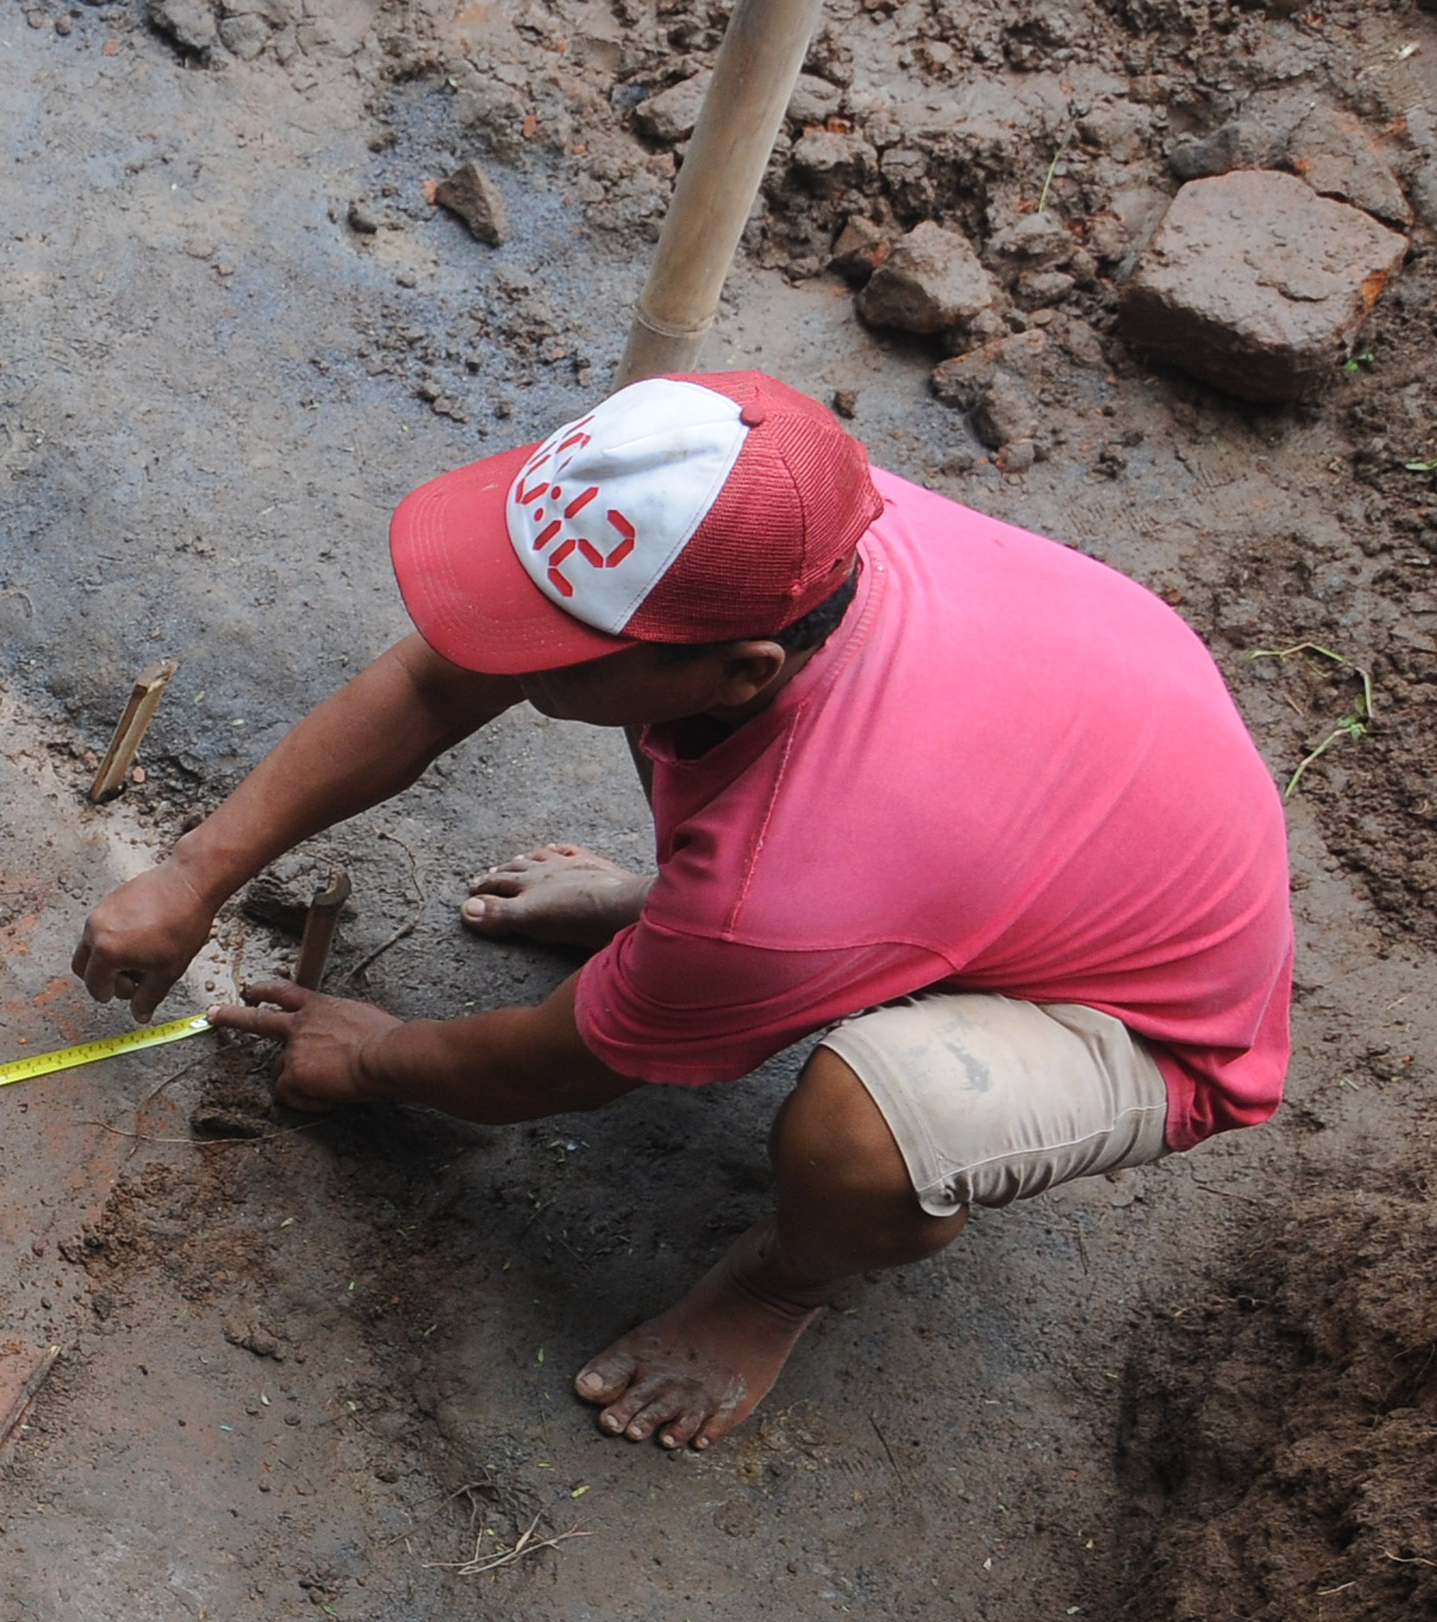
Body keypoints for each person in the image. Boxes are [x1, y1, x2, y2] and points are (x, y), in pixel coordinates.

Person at [71, 372, 1292, 1450]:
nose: (499, 646)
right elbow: (442, 674)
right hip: (1034, 830)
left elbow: (559, 1068)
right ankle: (678, 932)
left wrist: (374, 1056)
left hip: (1143, 1024)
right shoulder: (769, 505)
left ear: (744, 671)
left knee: (864, 1130)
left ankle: (778, 1285)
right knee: (728, 863)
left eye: (556, 637)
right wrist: (190, 875)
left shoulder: (792, 878)